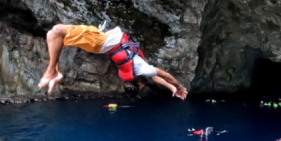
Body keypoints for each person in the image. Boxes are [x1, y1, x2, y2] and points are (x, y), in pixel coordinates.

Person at [38, 23, 188, 99]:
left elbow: (163, 75)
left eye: (142, 85)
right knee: (54, 36)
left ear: (138, 81)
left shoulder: (140, 70)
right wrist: (173, 88)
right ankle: (55, 72)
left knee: (57, 31)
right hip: (97, 42)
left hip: (98, 41)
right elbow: (158, 77)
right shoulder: (136, 71)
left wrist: (178, 86)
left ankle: (52, 71)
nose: (145, 83)